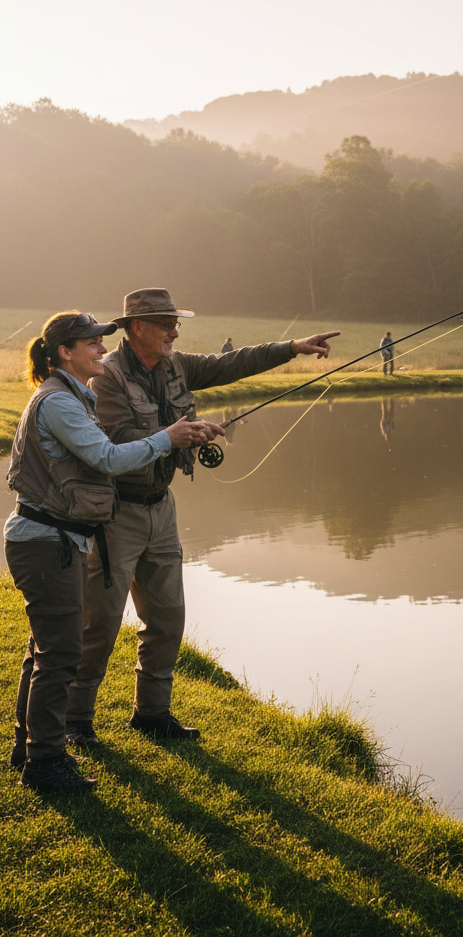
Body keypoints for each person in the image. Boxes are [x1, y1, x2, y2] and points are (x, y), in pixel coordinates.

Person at [65, 288, 339, 747]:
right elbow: (116, 441)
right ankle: (75, 722)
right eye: (165, 323)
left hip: (161, 508)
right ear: (136, 329)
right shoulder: (107, 376)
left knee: (169, 619)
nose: (175, 330)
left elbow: (230, 364)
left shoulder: (175, 364)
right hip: (116, 514)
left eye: (176, 323)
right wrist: (180, 434)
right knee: (101, 622)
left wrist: (292, 348)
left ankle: (152, 715)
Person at [4, 311, 205, 791]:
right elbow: (108, 458)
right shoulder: (60, 403)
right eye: (90, 342)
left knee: (45, 652)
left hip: (56, 539)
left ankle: (27, 748)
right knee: (59, 655)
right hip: (48, 542)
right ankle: (46, 763)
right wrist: (168, 438)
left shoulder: (74, 395)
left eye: (100, 340)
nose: (100, 348)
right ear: (63, 353)